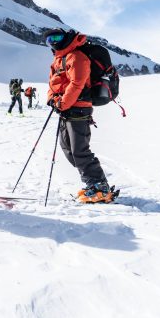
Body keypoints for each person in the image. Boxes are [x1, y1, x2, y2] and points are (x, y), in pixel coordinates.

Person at [43, 28, 113, 203]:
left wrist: (63, 103)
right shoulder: (58, 59)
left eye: (57, 37)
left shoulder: (76, 56)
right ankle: (92, 184)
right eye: (49, 39)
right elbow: (53, 84)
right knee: (67, 149)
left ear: (66, 37)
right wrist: (52, 99)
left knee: (79, 150)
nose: (53, 42)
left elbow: (78, 82)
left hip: (79, 108)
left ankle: (100, 187)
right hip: (66, 109)